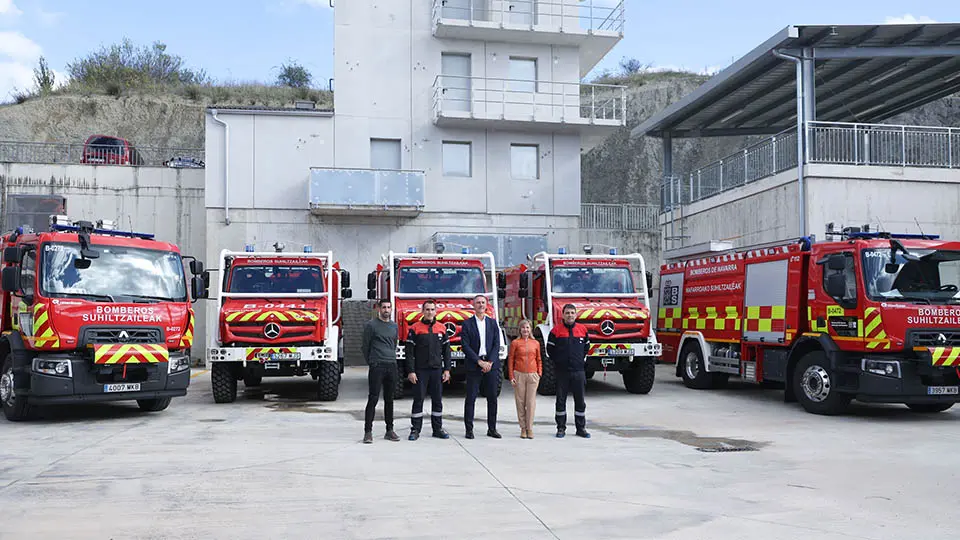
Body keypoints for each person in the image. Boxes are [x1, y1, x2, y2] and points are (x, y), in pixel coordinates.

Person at [404, 299, 451, 440]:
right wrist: (411, 371)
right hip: (420, 371)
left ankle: (437, 429)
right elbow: (409, 353)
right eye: (427, 309)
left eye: (432, 309)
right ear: (422, 311)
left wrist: (447, 370)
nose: (430, 312)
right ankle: (415, 430)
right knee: (418, 400)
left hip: (436, 370)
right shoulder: (414, 329)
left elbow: (446, 352)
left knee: (437, 400)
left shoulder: (442, 328)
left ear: (435, 311)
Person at [460, 294, 502, 439]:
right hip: (474, 365)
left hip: (491, 365)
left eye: (483, 302)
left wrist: (490, 362)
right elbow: (465, 346)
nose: (481, 305)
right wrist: (479, 361)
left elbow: (497, 344)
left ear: (487, 304)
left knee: (492, 398)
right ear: (473, 305)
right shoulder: (467, 324)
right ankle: (469, 430)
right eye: (478, 302)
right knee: (471, 398)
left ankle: (492, 429)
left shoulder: (492, 323)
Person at [547, 304, 591, 438]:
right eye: (567, 313)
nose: (570, 315)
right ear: (563, 315)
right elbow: (550, 350)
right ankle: (561, 428)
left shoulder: (583, 330)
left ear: (576, 315)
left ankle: (581, 428)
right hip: (562, 372)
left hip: (578, 371)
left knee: (580, 401)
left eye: (572, 313)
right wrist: (560, 362)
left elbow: (586, 348)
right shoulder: (555, 331)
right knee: (561, 401)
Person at [362, 299, 401, 444]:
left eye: (388, 307)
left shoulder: (394, 326)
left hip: (391, 365)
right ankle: (368, 432)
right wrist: (372, 362)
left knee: (389, 399)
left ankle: (389, 430)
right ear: (379, 309)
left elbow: (394, 344)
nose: (386, 310)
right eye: (384, 307)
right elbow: (365, 346)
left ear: (391, 309)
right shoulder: (371, 325)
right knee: (373, 398)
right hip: (377, 365)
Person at [507, 319, 542, 439]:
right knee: (520, 402)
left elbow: (539, 359)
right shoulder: (515, 343)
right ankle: (522, 428)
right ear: (520, 330)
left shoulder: (535, 343)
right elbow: (510, 360)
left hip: (532, 375)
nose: (525, 330)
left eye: (527, 327)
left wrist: (539, 373)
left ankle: (530, 428)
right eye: (523, 328)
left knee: (530, 403)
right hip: (519, 374)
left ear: (530, 329)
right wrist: (511, 376)